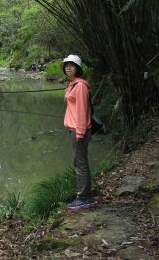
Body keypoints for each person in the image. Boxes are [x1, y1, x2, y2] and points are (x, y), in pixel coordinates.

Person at [62, 54, 95, 211]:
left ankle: (84, 198)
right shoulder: (73, 84)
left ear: (78, 68)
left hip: (78, 130)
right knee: (80, 162)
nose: (68, 67)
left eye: (72, 65)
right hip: (74, 129)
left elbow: (82, 110)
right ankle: (84, 194)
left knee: (80, 164)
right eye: (66, 65)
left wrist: (80, 133)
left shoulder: (80, 86)